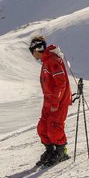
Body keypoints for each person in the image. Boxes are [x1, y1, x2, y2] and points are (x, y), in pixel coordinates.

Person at [29, 35, 72, 167]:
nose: (32, 54)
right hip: (48, 100)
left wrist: (55, 101)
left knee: (54, 128)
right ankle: (50, 151)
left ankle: (61, 151)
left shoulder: (53, 60)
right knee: (42, 127)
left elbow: (61, 84)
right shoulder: (47, 61)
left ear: (38, 49)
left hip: (58, 101)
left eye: (32, 50)